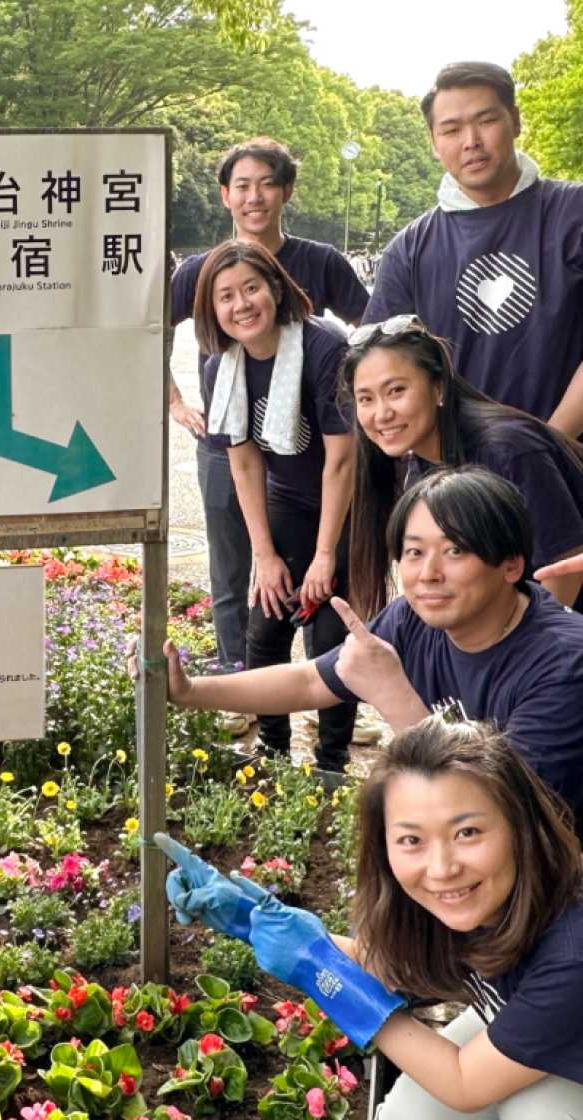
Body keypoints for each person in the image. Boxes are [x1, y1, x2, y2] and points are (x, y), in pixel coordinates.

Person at [157, 715, 583, 1117]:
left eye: (467, 832)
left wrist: (317, 968)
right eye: (411, 839)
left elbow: (464, 1083)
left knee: (536, 1112)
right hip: (540, 1026)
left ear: (520, 826)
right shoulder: (476, 900)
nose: (441, 868)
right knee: (409, 1113)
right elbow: (391, 968)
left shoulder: (571, 949)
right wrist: (251, 920)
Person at [148, 466, 583, 830]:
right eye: (413, 552)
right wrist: (189, 691)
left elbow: (499, 816)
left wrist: (392, 695)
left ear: (512, 564)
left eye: (455, 551)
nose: (428, 573)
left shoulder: (564, 665)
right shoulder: (413, 618)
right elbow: (308, 680)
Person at [169, 138, 368, 737]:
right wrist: (173, 404)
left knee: (329, 599)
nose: (255, 197)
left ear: (285, 191)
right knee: (248, 578)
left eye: (267, 184)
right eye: (243, 185)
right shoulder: (201, 279)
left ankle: (335, 712)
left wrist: (379, 399)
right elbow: (146, 327)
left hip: (329, 470)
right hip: (245, 453)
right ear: (225, 195)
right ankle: (246, 691)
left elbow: (375, 326)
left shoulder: (322, 296)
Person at [194, 239, 357, 771]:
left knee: (330, 637)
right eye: (226, 296)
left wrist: (325, 555)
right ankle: (273, 751)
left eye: (251, 288)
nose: (241, 304)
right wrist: (265, 555)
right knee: (264, 631)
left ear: (276, 289)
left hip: (346, 507)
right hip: (285, 501)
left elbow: (341, 462)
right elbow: (244, 464)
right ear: (211, 309)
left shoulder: (324, 346)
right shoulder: (223, 366)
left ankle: (331, 761)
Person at [365, 62, 583, 433]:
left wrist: (548, 446)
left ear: (514, 120)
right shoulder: (410, 249)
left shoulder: (572, 213)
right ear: (434, 143)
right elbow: (380, 365)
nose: (471, 142)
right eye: (451, 130)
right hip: (458, 474)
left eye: (485, 121)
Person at [343, 315, 583, 614]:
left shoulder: (507, 449)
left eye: (396, 391)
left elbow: (567, 565)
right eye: (365, 399)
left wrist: (527, 650)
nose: (381, 414)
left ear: (439, 388)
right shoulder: (418, 465)